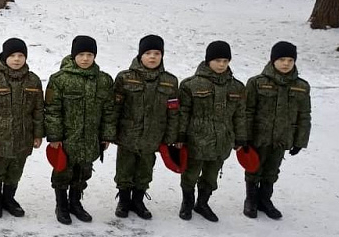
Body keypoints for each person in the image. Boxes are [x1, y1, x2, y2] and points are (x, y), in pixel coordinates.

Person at [45, 36, 116, 224]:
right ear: (73, 55)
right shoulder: (59, 80)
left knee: (83, 173)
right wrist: (55, 136)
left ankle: (75, 203)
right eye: (81, 54)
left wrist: (106, 135)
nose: (85, 59)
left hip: (90, 139)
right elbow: (52, 110)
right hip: (67, 138)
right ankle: (61, 205)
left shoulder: (104, 80)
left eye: (89, 54)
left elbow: (109, 110)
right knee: (63, 172)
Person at [177, 41, 246, 222]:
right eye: (217, 60)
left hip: (222, 141)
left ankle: (203, 203)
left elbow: (239, 115)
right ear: (208, 61)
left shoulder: (237, 87)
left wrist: (240, 137)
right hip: (196, 140)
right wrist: (180, 136)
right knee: (191, 174)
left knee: (211, 176)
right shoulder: (190, 85)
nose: (221, 64)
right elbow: (183, 113)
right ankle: (187, 203)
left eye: (225, 60)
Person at [112, 35, 179, 219]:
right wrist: (110, 133)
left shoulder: (170, 81)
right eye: (148, 53)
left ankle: (138, 201)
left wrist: (171, 138)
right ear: (140, 55)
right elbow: (114, 109)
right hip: (128, 135)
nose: (152, 57)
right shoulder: (125, 78)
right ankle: (124, 201)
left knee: (145, 170)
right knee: (124, 169)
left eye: (157, 53)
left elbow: (173, 112)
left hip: (153, 136)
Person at [0, 38, 44, 218]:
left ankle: (9, 199)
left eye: (21, 55)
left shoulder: (33, 81)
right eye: (12, 55)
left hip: (24, 137)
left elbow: (38, 110)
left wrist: (38, 134)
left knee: (15, 171)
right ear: (4, 57)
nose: (16, 59)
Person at [243, 41, 311, 219]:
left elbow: (304, 115)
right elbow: (247, 112)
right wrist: (245, 137)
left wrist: (300, 141)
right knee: (253, 169)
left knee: (272, 171)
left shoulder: (301, 87)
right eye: (282, 59)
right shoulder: (256, 83)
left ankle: (265, 200)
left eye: (290, 60)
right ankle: (250, 200)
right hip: (259, 137)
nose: (286, 63)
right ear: (273, 60)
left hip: (282, 138)